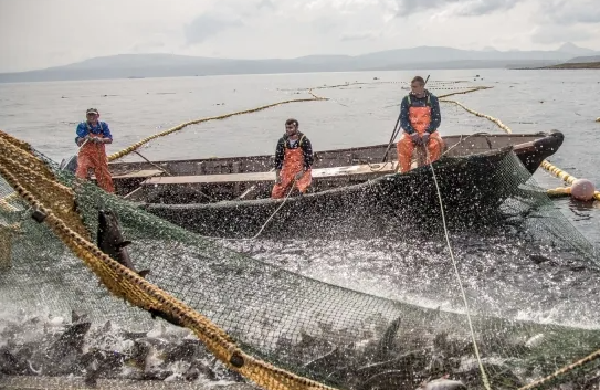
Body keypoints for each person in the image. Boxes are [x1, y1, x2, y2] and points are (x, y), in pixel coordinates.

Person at [397, 76, 444, 173]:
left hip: (429, 131)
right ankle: (405, 173)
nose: (412, 89)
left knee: (436, 143)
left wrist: (428, 132)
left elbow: (437, 119)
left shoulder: (433, 99)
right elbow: (403, 120)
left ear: (422, 86)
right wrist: (412, 133)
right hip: (411, 131)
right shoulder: (406, 100)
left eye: (415, 86)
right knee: (402, 143)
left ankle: (432, 171)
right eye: (412, 86)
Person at [74, 108, 115, 193]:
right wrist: (84, 138)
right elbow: (78, 141)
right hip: (86, 154)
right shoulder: (82, 126)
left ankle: (109, 193)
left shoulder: (103, 126)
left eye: (93, 114)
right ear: (86, 116)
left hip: (100, 155)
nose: (92, 117)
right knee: (82, 167)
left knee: (103, 174)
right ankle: (78, 189)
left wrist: (101, 140)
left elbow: (110, 140)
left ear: (97, 115)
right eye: (89, 115)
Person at [271, 118, 314, 199]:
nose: (288, 130)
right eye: (287, 128)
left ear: (296, 128)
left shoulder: (304, 140)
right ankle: (279, 205)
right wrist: (277, 176)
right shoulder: (282, 141)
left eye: (291, 128)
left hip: (302, 169)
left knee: (301, 189)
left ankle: (301, 203)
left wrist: (302, 171)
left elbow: (310, 158)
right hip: (287, 170)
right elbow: (278, 160)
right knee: (277, 192)